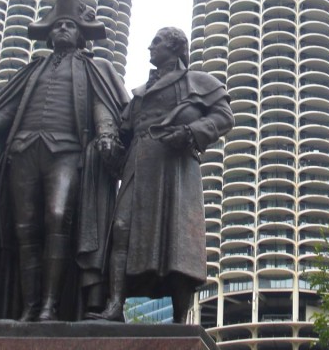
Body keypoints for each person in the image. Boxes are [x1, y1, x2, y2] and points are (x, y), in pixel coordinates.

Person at [0, 0, 128, 321]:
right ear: (50, 34)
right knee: (24, 228)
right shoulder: (31, 70)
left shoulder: (95, 68)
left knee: (58, 216)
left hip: (66, 153)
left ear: (80, 34)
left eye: (70, 26)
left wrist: (106, 134)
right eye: (58, 25)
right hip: (22, 151)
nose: (63, 29)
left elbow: (103, 106)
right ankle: (30, 305)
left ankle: (50, 304)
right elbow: (1, 114)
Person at [91, 27, 233, 323]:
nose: (149, 47)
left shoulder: (199, 82)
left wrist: (190, 132)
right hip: (138, 164)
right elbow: (124, 129)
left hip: (175, 168)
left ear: (175, 46)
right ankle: (115, 305)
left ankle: (181, 319)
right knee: (121, 228)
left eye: (156, 42)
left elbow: (223, 117)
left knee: (178, 239)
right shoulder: (139, 94)